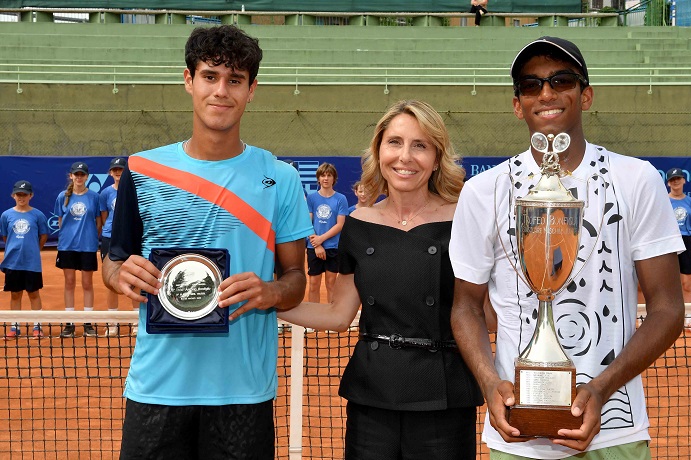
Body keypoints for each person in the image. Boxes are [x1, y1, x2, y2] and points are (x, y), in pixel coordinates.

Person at [449, 36, 685, 459]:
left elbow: (667, 307)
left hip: (615, 431)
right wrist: (489, 382)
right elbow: (465, 305)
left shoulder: (637, 180)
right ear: (517, 104)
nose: (546, 93)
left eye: (562, 80)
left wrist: (600, 388)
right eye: (530, 85)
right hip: (515, 435)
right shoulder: (483, 192)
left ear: (586, 95)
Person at [102, 25, 311, 460]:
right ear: (188, 80)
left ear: (251, 90)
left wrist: (270, 291)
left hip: (243, 394)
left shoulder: (282, 179)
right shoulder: (143, 171)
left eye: (235, 80)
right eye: (210, 76)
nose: (221, 91)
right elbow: (113, 258)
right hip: (157, 389)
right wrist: (119, 273)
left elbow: (295, 280)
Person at [279, 100, 484, 459]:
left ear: (437, 157)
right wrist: (265, 301)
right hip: (372, 398)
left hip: (443, 399)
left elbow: (485, 313)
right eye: (395, 142)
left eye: (420, 145)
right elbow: (338, 315)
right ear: (379, 151)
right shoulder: (359, 221)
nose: (405, 157)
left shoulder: (463, 218)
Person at [55, 161, 103, 338]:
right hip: (67, 246)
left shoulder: (94, 197)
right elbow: (61, 221)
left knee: (87, 284)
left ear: (87, 177)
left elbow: (98, 222)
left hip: (88, 246)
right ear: (71, 176)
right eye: (76, 174)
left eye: (82, 174)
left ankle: (88, 323)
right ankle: (69, 323)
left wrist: (89, 236)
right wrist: (70, 235)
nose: (79, 177)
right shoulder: (62, 197)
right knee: (69, 283)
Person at [1, 180, 48, 338]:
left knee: (33, 293)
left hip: (32, 263)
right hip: (13, 262)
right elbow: (6, 236)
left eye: (25, 195)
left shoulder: (37, 215)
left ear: (31, 195)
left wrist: (34, 250)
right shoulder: (6, 215)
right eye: (19, 194)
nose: (21, 197)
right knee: (15, 294)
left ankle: (37, 326)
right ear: (13, 195)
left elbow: (43, 235)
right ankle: (15, 327)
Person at [99, 157, 132, 337]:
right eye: (115, 170)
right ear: (110, 173)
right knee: (110, 279)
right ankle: (113, 322)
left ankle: (135, 322)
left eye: (121, 169)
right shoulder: (105, 193)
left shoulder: (132, 190)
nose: (118, 172)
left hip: (129, 237)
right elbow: (104, 217)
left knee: (133, 278)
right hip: (109, 238)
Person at [666, 167, 691, 335]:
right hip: (669, 243)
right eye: (673, 179)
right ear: (668, 183)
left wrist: (686, 235)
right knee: (665, 284)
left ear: (684, 181)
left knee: (686, 285)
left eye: (678, 178)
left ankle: (689, 319)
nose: (676, 181)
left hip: (686, 242)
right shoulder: (664, 201)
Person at [306, 162, 348, 303]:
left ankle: (330, 321)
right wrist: (317, 245)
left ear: (334, 179)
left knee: (331, 284)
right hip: (314, 247)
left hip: (333, 247)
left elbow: (340, 224)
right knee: (313, 285)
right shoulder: (311, 198)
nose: (325, 178)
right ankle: (313, 321)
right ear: (318, 178)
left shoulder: (341, 199)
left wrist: (321, 239)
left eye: (329, 175)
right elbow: (307, 223)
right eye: (323, 175)